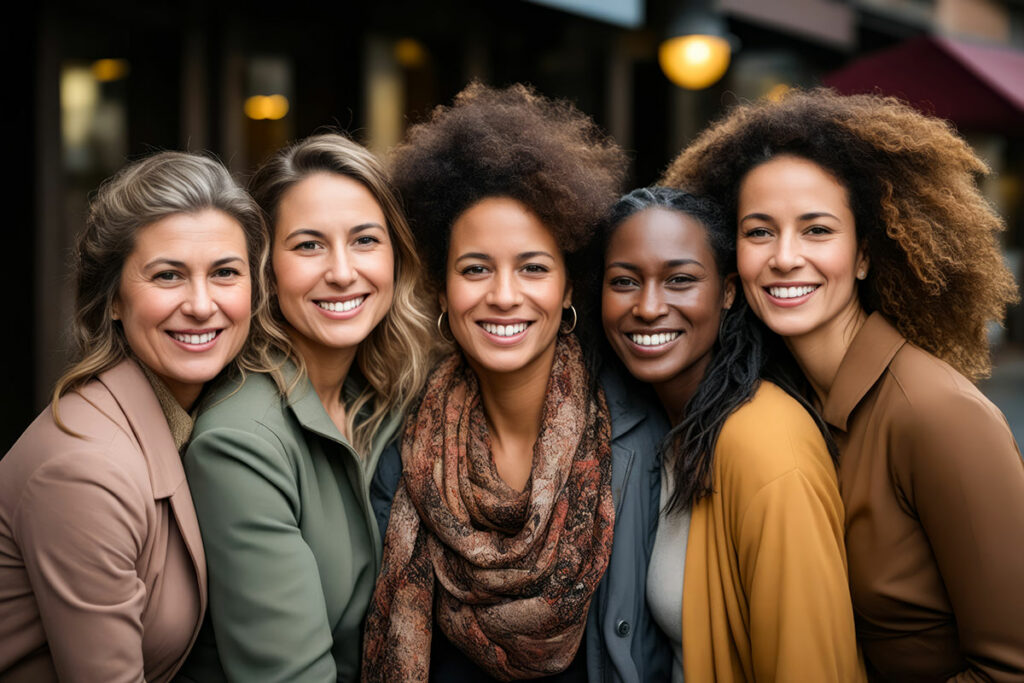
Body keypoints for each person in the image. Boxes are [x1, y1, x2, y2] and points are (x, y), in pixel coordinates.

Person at [663, 88, 1024, 682]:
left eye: (817, 230)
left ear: (863, 255)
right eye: (759, 232)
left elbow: (1009, 668)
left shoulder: (937, 415)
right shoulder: (782, 400)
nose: (784, 257)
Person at [364, 83, 671, 682]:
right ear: (443, 292)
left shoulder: (642, 439)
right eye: (476, 268)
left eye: (533, 267)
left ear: (567, 288)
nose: (504, 296)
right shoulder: (400, 453)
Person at [175, 133, 433, 682]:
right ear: (266, 269)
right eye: (309, 245)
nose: (342, 272)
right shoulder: (241, 440)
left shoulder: (392, 394)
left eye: (365, 240)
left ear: (396, 254)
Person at [0, 151, 267, 682]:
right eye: (168, 275)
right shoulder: (83, 470)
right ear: (114, 300)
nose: (200, 303)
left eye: (225, 273)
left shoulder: (203, 420)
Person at [600, 187, 864, 682]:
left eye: (680, 280)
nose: (649, 306)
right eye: (624, 282)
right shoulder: (662, 426)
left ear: (726, 292)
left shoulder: (765, 444)